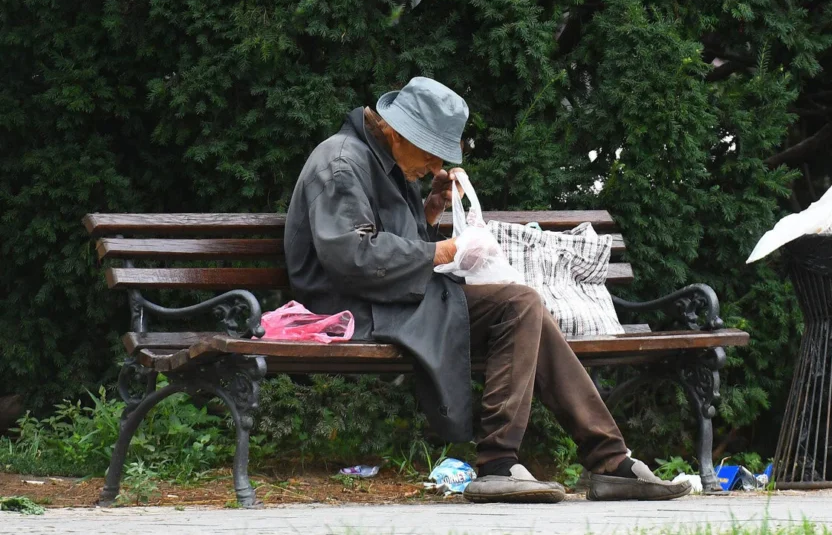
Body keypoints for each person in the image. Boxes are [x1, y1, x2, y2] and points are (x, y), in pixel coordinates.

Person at [284, 77, 689, 503]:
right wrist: (445, 252)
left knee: (522, 305)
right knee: (519, 304)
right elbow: (354, 257)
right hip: (348, 313)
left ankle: (609, 461)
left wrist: (432, 210)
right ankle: (505, 463)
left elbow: (389, 242)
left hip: (392, 299)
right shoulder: (342, 161)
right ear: (397, 130)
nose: (435, 163)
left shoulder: (384, 159)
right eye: (430, 150)